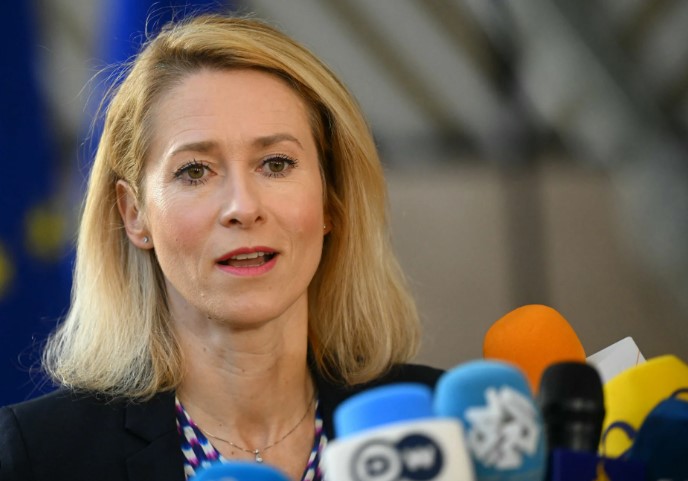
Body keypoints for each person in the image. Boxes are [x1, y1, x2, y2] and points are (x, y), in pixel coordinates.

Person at [0, 13, 442, 481]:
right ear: (134, 214)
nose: (243, 208)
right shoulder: (39, 457)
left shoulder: (440, 424)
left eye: (276, 164)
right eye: (195, 171)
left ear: (331, 199)